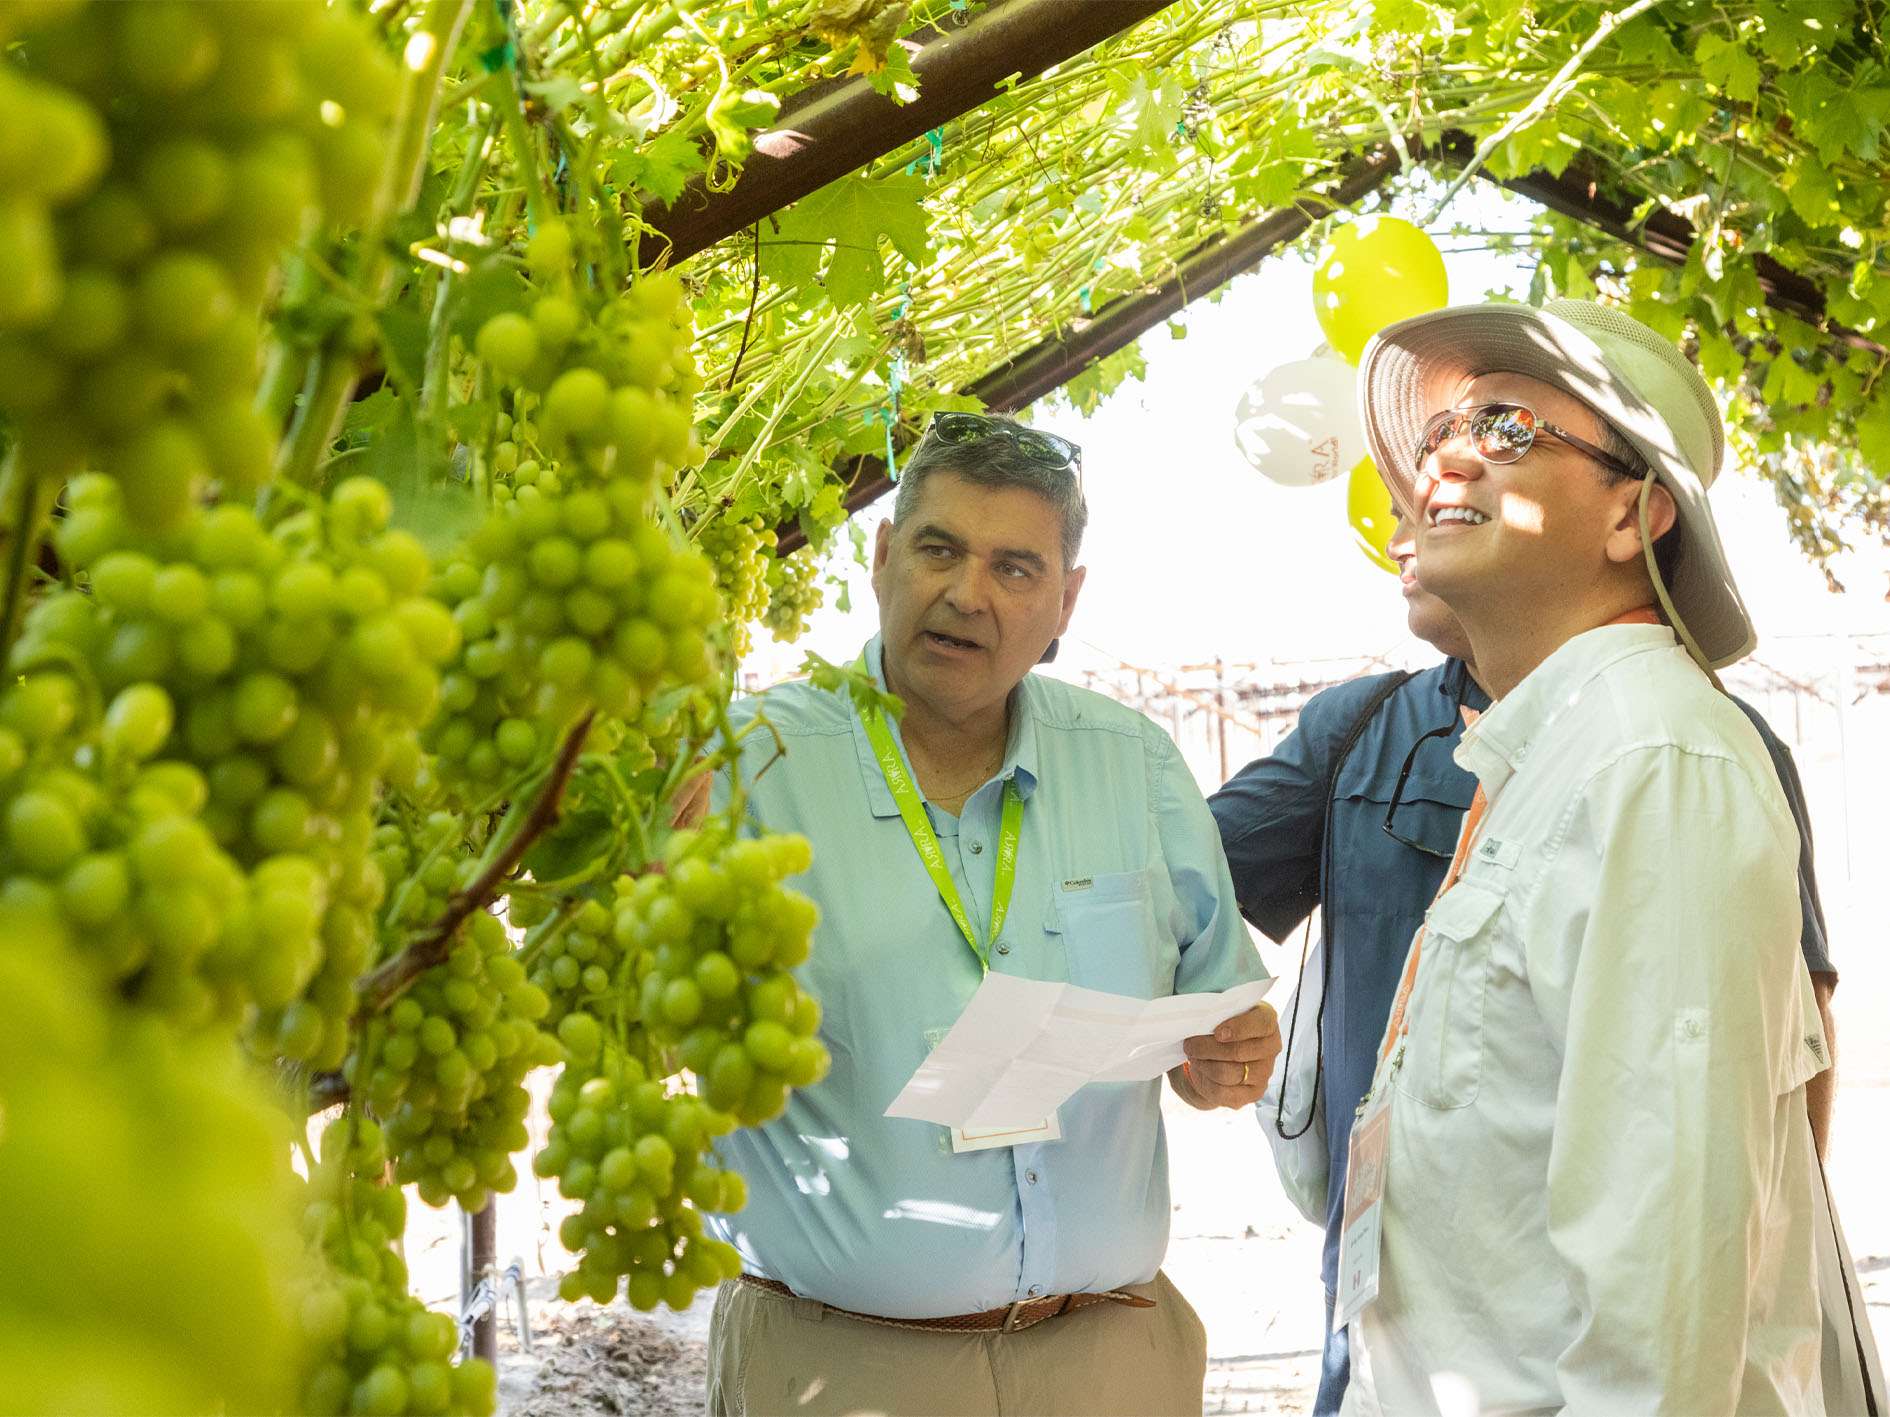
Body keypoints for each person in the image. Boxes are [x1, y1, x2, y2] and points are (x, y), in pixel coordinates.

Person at [702, 410, 1281, 1417]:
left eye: (1016, 567)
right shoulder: (749, 766)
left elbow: (1209, 1032)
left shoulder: (1133, 762)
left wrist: (1227, 1056)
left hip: (1109, 1363)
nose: (967, 594)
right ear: (881, 557)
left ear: (1067, 598)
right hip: (840, 1371)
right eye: (938, 549)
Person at [1210, 512, 1840, 1415]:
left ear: (1629, 516)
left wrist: (1765, 1251)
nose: (1418, 523)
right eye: (1407, 506)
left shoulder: (1671, 747)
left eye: (1503, 437)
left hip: (1556, 1349)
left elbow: (1784, 1033)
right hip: (1379, 1326)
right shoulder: (1360, 728)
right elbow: (1179, 890)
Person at [1330, 297, 1835, 1413]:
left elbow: (1667, 1293)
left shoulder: (1654, 762)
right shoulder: (1548, 753)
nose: (1445, 456)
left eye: (1508, 427)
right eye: (1436, 434)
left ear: (1634, 517)